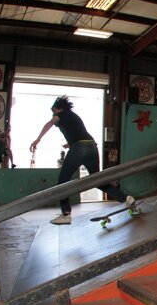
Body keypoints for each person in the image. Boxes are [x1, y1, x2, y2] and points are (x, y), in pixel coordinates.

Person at [30, 95, 136, 225]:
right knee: (97, 180)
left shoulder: (60, 115)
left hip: (79, 148)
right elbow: (78, 134)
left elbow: (49, 124)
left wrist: (37, 140)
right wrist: (70, 144)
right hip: (92, 147)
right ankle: (126, 199)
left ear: (59, 108)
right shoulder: (74, 116)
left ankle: (66, 214)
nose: (52, 113)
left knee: (62, 181)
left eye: (53, 110)